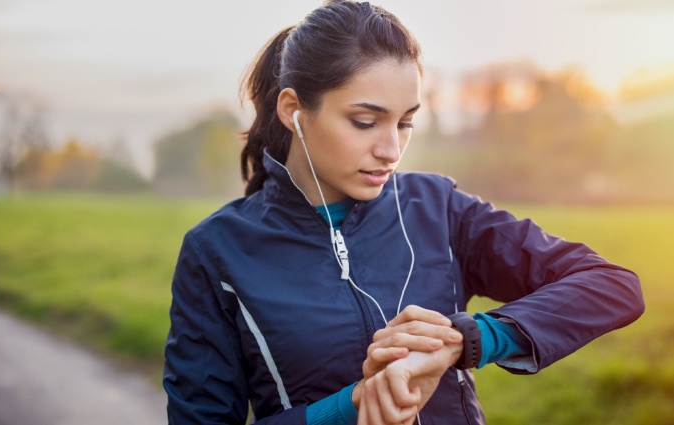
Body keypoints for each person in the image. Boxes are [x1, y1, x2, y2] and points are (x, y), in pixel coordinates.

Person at [162, 1, 645, 424]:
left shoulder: (439, 209)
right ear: (293, 109)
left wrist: (467, 339)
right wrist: (351, 406)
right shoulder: (217, 252)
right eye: (365, 121)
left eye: (406, 122)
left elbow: (612, 286)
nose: (392, 149)